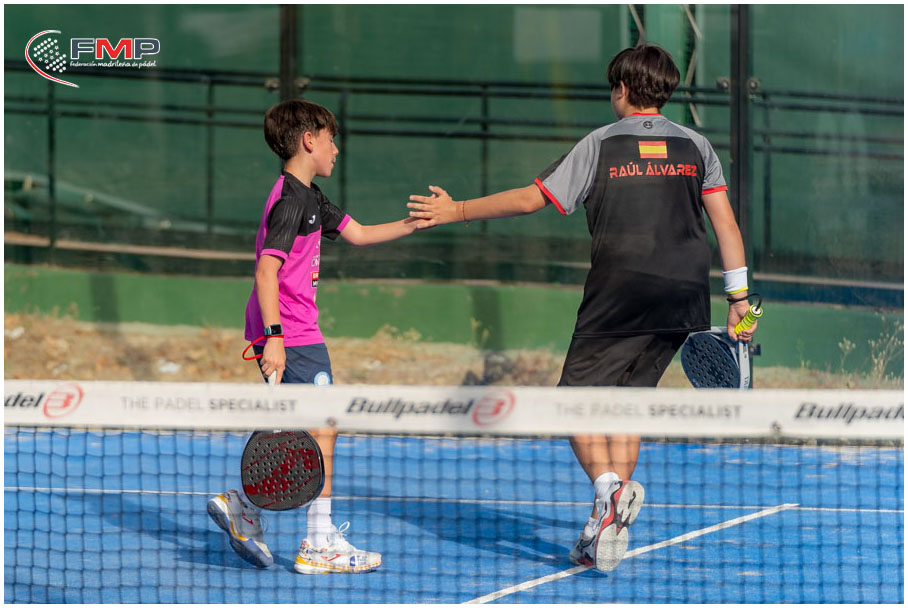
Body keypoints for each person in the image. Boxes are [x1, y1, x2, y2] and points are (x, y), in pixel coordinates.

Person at [407, 44, 758, 573]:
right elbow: (726, 226)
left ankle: (609, 489)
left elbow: (531, 199)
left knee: (571, 403)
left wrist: (455, 209)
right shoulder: (697, 146)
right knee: (629, 404)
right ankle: (605, 523)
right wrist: (739, 303)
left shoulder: (600, 144)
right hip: (684, 294)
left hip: (620, 291)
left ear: (621, 90)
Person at [208, 99, 423, 574]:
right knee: (323, 425)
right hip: (292, 331)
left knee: (308, 427)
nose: (336, 150)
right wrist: (276, 337)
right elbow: (266, 272)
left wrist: (419, 222)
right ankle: (319, 543)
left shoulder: (311, 197)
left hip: (293, 329)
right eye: (331, 140)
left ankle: (246, 508)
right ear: (309, 141)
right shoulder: (290, 201)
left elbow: (360, 234)